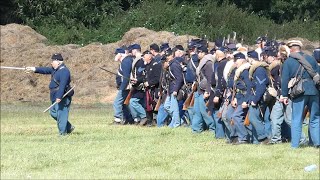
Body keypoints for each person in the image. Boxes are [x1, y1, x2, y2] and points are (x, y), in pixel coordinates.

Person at [280, 40, 319, 148]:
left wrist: (284, 95)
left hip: (299, 91)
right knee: (315, 118)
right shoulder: (311, 58)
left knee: (296, 118)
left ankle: (295, 145)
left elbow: (285, 80)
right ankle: (317, 143)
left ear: (291, 49)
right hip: (314, 90)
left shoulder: (289, 61)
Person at [26, 53, 74, 136]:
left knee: (61, 114)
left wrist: (59, 96)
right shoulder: (55, 69)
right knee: (53, 113)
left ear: (58, 62)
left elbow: (62, 85)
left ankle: (63, 134)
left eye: (53, 61)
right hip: (54, 95)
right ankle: (69, 127)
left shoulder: (64, 71)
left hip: (62, 96)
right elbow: (45, 70)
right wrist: (33, 69)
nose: (51, 63)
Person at [113, 47, 133, 125]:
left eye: (116, 54)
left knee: (117, 103)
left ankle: (118, 119)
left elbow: (126, 76)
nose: (115, 56)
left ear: (120, 54)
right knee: (125, 104)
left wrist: (122, 87)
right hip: (125, 86)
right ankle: (129, 118)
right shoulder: (126, 61)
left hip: (125, 87)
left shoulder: (125, 61)